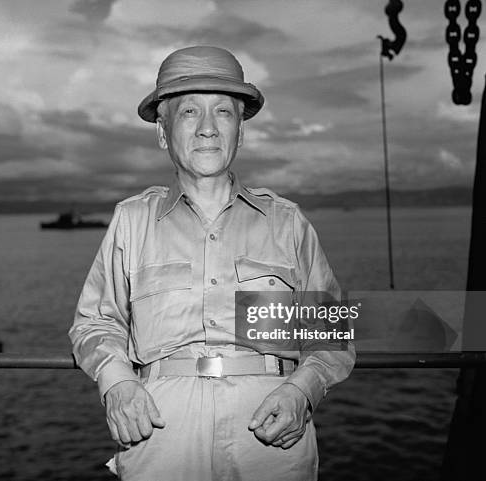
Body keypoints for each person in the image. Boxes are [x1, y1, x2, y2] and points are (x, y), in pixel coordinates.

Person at [69, 45, 355, 481]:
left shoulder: (286, 222)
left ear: (241, 131)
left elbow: (330, 334)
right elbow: (95, 323)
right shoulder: (131, 221)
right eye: (188, 113)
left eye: (223, 112)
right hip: (161, 435)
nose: (207, 129)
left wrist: (303, 391)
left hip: (270, 438)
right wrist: (118, 384)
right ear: (163, 133)